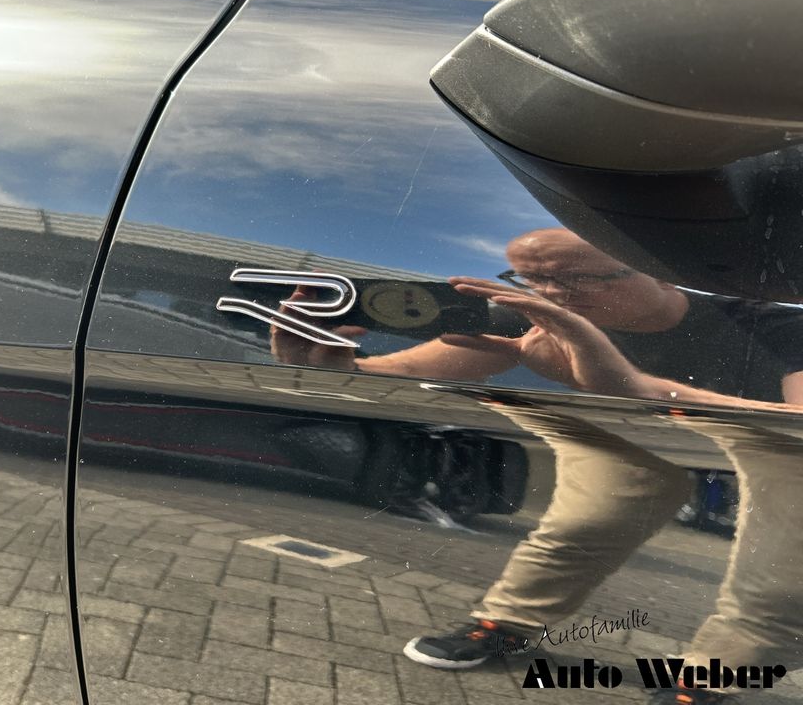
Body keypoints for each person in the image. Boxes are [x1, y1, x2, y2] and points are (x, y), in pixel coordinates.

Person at [271, 228, 803, 704]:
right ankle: (506, 624)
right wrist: (334, 365)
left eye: (579, 278)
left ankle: (712, 678)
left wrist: (636, 387)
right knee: (585, 522)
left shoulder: (769, 323)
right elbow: (403, 370)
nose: (553, 294)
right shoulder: (531, 315)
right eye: (532, 278)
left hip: (770, 437)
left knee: (781, 575)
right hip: (629, 432)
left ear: (659, 272)